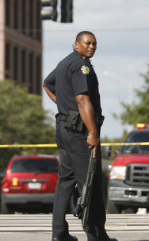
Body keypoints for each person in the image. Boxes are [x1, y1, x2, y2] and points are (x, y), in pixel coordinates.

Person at [43, 31, 117, 241]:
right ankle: (96, 236)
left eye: (94, 43)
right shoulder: (81, 65)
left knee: (65, 181)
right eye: (88, 43)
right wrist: (92, 132)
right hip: (79, 132)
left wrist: (64, 107)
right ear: (77, 44)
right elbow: (83, 99)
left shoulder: (64, 62)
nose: (92, 46)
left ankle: (59, 234)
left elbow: (47, 84)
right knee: (90, 183)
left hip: (64, 128)